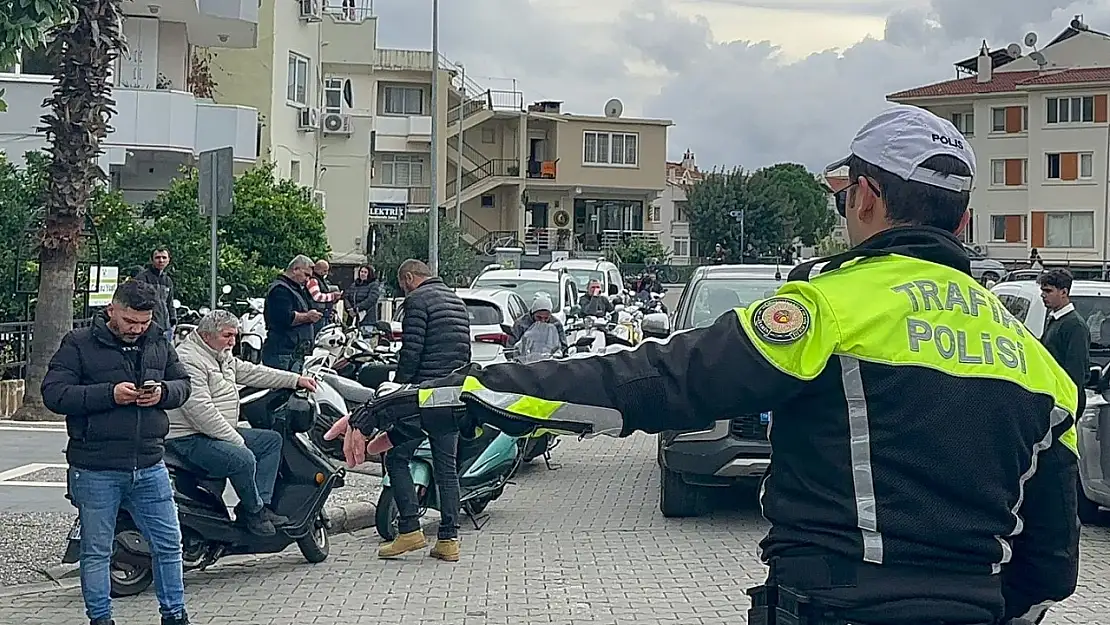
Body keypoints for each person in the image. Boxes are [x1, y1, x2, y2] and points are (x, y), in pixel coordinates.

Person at [331, 105, 1081, 625]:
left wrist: (467, 394)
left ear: (868, 197)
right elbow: (1052, 566)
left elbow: (651, 383)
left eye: (845, 195)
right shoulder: (1038, 364)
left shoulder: (828, 309)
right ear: (965, 219)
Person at [42, 280, 192, 625]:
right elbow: (54, 394)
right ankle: (100, 618)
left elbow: (183, 384)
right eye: (129, 322)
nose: (136, 330)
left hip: (150, 463)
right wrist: (109, 394)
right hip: (96, 466)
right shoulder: (78, 343)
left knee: (169, 545)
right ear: (112, 310)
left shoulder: (157, 340)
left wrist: (163, 393)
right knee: (97, 551)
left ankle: (175, 615)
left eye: (143, 322)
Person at [165, 310, 318, 536]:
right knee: (243, 458)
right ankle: (253, 512)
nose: (233, 342)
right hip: (189, 437)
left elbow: (250, 371)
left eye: (235, 336)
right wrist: (236, 440)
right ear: (207, 335)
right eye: (227, 336)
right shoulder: (189, 360)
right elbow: (200, 411)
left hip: (214, 433)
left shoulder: (219, 355)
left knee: (270, 442)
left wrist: (294, 380)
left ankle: (261, 505)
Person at [379, 258, 470, 561]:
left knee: (396, 455)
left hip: (423, 395)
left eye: (402, 284)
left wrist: (398, 390)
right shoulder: (456, 301)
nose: (403, 290)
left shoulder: (417, 301)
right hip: (453, 393)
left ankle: (409, 531)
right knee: (447, 467)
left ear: (408, 278)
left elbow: (411, 351)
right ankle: (449, 540)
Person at [1038, 269, 1091, 415]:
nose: (1043, 295)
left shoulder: (1075, 326)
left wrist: (1065, 406)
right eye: (1042, 290)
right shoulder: (1055, 319)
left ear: (1064, 292)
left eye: (1048, 291)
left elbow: (1076, 372)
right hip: (1053, 398)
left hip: (1065, 404)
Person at [261, 255, 321, 372]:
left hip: (292, 354)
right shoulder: (280, 290)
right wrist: (307, 317)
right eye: (306, 275)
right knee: (281, 389)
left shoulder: (294, 288)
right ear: (295, 269)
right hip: (282, 353)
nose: (307, 279)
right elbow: (284, 318)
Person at [133, 248, 177, 342]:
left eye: (164, 257)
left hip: (166, 328)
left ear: (168, 260)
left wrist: (173, 321)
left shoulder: (168, 280)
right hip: (147, 328)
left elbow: (170, 303)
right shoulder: (142, 278)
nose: (161, 260)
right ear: (152, 260)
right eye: (157, 257)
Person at [306, 259, 343, 333]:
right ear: (320, 270)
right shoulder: (313, 280)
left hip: (324, 315)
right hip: (317, 316)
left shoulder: (321, 280)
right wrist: (333, 296)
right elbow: (317, 296)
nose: (327, 273)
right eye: (325, 271)